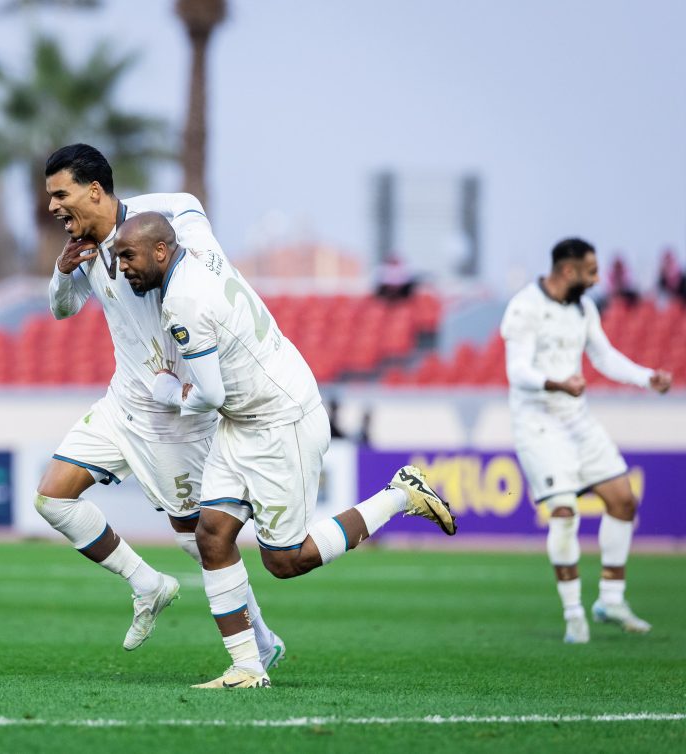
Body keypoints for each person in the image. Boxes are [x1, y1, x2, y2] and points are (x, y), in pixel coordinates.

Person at [113, 212, 456, 689]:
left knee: (285, 561)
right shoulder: (204, 253)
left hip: (280, 421)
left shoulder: (183, 303)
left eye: (128, 255)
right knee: (211, 536)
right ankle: (248, 666)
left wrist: (169, 392)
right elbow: (186, 204)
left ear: (160, 251)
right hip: (244, 419)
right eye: (117, 257)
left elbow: (208, 396)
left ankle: (400, 495)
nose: (121, 267)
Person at [37, 144, 285, 668]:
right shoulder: (84, 250)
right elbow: (62, 310)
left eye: (61, 194)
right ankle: (147, 584)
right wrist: (61, 272)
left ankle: (261, 642)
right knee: (52, 499)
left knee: (200, 542)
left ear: (95, 191)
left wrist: (155, 225)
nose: (53, 206)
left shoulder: (153, 233)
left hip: (174, 417)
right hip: (121, 403)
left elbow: (189, 203)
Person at [500, 238, 673, 644]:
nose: (596, 280)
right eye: (591, 272)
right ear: (568, 270)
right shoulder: (525, 307)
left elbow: (604, 356)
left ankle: (611, 600)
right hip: (538, 423)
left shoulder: (583, 308)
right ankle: (574, 614)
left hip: (577, 419)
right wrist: (557, 383)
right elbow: (517, 370)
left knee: (623, 500)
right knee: (564, 512)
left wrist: (645, 377)